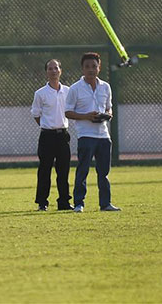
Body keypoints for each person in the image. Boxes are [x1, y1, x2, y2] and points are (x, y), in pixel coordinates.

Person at [65, 52, 121, 212]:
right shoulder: (75, 88)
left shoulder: (105, 87)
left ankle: (105, 203)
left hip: (103, 135)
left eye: (94, 66)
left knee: (104, 172)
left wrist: (108, 114)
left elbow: (109, 107)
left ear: (99, 67)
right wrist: (86, 117)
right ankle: (79, 203)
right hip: (86, 136)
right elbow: (67, 112)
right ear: (82, 69)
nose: (91, 70)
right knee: (82, 170)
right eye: (87, 67)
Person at [30, 59, 73, 211]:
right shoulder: (40, 93)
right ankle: (42, 202)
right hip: (47, 136)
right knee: (45, 170)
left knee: (63, 170)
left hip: (63, 135)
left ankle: (64, 202)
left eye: (56, 68)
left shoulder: (68, 91)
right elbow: (36, 114)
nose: (53, 71)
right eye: (50, 68)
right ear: (46, 72)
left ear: (60, 71)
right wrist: (47, 126)